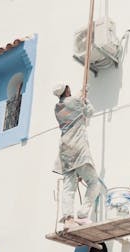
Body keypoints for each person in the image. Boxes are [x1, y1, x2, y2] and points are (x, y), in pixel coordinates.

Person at [53, 83, 101, 229]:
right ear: (66, 90)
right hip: (79, 149)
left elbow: (77, 105)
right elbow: (90, 112)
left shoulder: (57, 108)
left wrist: (82, 95)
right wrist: (85, 97)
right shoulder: (74, 101)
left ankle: (68, 218)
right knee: (94, 182)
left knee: (69, 187)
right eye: (68, 87)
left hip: (66, 152)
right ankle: (82, 214)